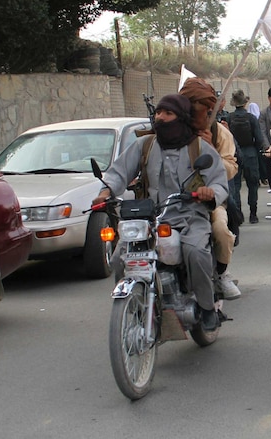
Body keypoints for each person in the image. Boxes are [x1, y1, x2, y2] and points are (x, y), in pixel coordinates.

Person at [93, 94, 228, 331]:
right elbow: (118, 173)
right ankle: (132, 305)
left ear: (181, 117)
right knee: (118, 259)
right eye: (158, 113)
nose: (161, 118)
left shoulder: (199, 147)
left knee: (196, 253)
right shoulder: (144, 145)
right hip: (148, 217)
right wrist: (105, 192)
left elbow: (219, 182)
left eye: (168, 114)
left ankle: (207, 308)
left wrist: (209, 192)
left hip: (189, 215)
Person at [179, 78, 242, 299]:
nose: (202, 116)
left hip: (210, 199)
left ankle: (222, 273)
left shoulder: (219, 133)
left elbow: (231, 168)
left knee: (221, 231)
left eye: (206, 111)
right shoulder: (170, 130)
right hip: (174, 201)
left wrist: (210, 151)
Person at [228, 89, 265, 224]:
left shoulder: (229, 118)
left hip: (234, 154)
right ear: (245, 103)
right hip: (251, 153)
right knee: (252, 184)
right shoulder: (251, 118)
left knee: (236, 185)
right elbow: (259, 138)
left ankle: (238, 214)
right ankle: (253, 214)